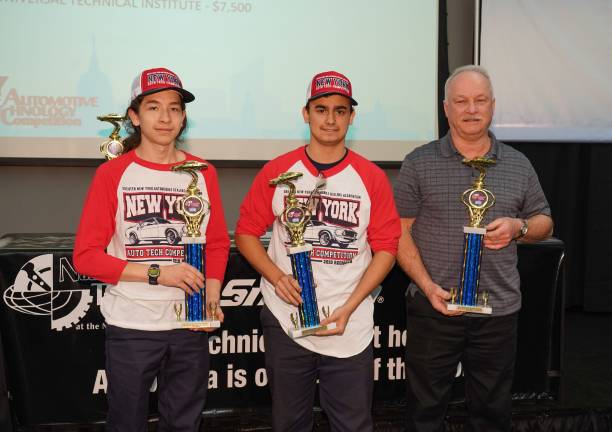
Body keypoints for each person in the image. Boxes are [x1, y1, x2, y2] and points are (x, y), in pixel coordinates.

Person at [235, 70, 401, 432]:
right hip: (287, 317)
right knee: (289, 423)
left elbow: (387, 247)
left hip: (349, 319)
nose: (330, 119)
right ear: (305, 113)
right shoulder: (279, 171)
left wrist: (352, 304)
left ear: (351, 117)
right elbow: (246, 232)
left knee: (353, 424)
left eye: (340, 111)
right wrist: (276, 276)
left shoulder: (370, 177)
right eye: (321, 109)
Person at [394, 65, 554, 432]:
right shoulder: (419, 162)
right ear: (446, 108)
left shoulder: (518, 163)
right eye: (461, 101)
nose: (471, 109)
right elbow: (398, 232)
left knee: (492, 414)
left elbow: (545, 221)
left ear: (493, 106)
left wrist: (520, 227)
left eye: (480, 100)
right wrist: (426, 284)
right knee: (424, 413)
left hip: (498, 312)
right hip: (435, 308)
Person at [73, 67, 229, 431]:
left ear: (184, 116)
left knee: (184, 422)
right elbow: (86, 257)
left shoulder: (203, 172)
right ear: (134, 116)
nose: (165, 117)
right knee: (126, 423)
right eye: (154, 107)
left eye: (174, 108)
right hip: (132, 324)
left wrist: (212, 294)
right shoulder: (113, 174)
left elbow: (218, 242)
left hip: (190, 325)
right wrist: (159, 273)